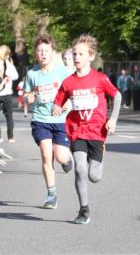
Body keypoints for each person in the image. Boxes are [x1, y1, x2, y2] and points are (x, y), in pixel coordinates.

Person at [52, 34, 121, 225]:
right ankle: (84, 210)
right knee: (80, 169)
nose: (76, 57)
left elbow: (117, 96)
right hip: (77, 131)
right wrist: (56, 108)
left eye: (81, 54)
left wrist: (113, 119)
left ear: (91, 56)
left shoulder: (100, 79)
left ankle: (98, 156)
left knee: (94, 176)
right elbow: (57, 103)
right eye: (74, 54)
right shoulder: (68, 82)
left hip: (97, 132)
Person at [23, 35, 73, 208]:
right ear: (35, 53)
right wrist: (28, 98)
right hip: (40, 119)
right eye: (39, 51)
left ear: (52, 52)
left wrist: (65, 105)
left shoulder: (63, 72)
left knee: (60, 156)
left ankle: (67, 159)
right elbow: (26, 95)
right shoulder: (32, 74)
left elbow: (72, 92)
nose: (43, 54)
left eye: (46, 50)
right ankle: (51, 195)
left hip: (60, 120)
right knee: (46, 154)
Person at [0, 44, 19, 142]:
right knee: (9, 116)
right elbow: (16, 76)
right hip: (6, 93)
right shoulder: (8, 64)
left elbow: (15, 76)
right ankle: (10, 136)